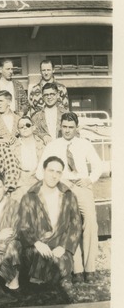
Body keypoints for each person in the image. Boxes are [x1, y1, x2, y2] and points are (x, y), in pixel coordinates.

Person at [36, 112, 103, 284]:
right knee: (69, 226)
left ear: (77, 128)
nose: (67, 130)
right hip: (62, 187)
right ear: (60, 127)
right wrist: (56, 181)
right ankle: (77, 269)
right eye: (64, 127)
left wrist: (90, 179)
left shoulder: (84, 144)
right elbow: (39, 171)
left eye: (71, 127)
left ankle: (90, 269)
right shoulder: (52, 145)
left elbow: (98, 166)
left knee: (90, 223)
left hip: (81, 186)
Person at [18, 156, 82, 287]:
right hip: (37, 246)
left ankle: (45, 278)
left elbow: (75, 225)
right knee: (38, 259)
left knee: (60, 263)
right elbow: (23, 226)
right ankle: (50, 279)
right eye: (51, 171)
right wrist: (37, 243)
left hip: (59, 245)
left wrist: (64, 246)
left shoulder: (68, 195)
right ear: (43, 171)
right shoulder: (30, 196)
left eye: (58, 172)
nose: (54, 176)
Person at [11, 116, 44, 202]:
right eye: (21, 126)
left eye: (28, 125)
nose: (25, 127)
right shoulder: (12, 148)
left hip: (39, 183)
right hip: (20, 185)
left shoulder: (42, 145)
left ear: (33, 128)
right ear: (18, 130)